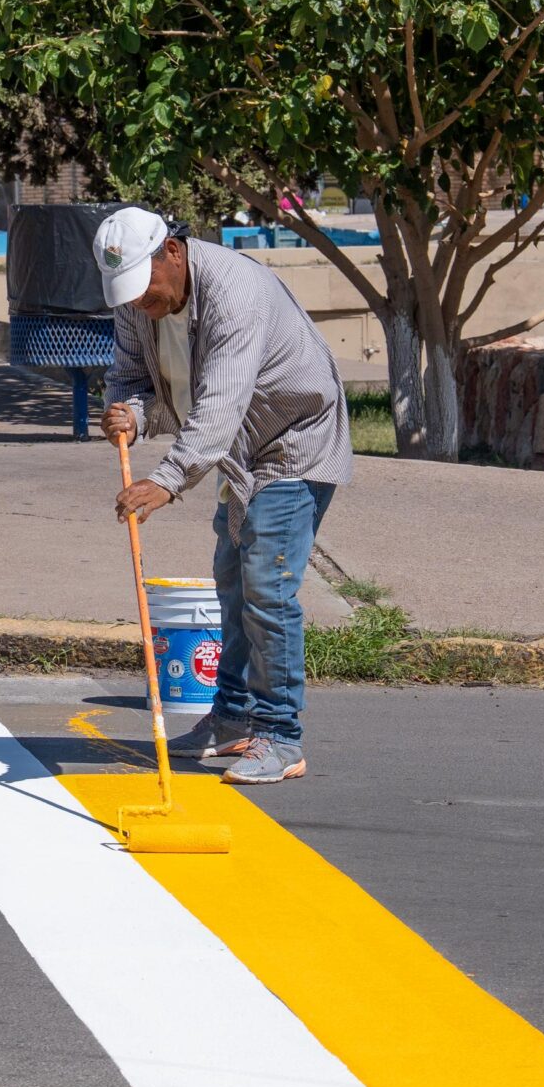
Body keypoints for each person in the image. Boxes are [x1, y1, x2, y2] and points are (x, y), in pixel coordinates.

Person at [95, 205, 352, 784]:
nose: (140, 303)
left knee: (266, 588)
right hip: (236, 451)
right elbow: (133, 379)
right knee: (232, 581)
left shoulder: (235, 290)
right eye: (128, 293)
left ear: (174, 252)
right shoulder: (139, 305)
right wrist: (130, 414)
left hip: (293, 441)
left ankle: (281, 736)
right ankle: (233, 718)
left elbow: (220, 404)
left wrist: (164, 481)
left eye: (145, 288)